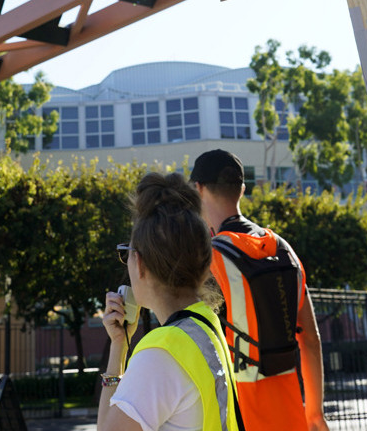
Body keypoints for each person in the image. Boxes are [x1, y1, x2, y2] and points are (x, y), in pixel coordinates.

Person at [190, 149, 328, 431]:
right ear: (242, 189)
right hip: (291, 413)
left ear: (198, 189)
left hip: (239, 415)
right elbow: (311, 340)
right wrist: (315, 414)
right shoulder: (283, 249)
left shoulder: (208, 260)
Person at [98, 171, 240, 431]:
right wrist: (120, 341)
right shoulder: (207, 327)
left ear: (140, 264)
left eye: (126, 253)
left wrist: (117, 352)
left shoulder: (159, 354)